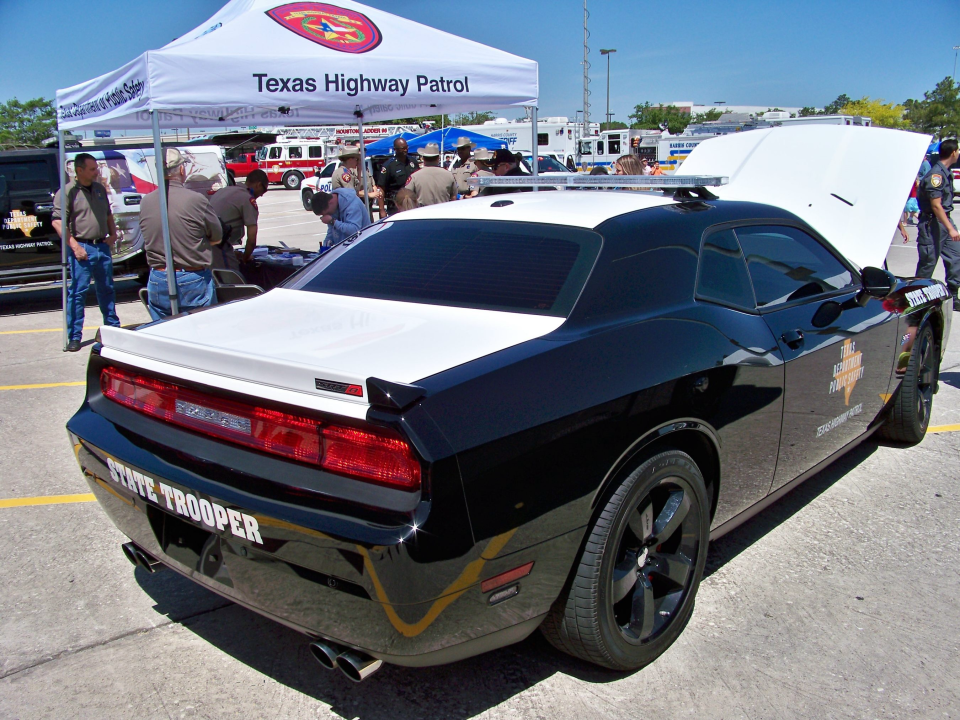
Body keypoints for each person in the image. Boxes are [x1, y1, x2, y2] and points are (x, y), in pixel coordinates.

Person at [139, 148, 223, 320]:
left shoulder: (146, 201)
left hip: (158, 276)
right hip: (191, 276)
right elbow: (217, 236)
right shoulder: (196, 199)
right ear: (182, 169)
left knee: (163, 333)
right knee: (200, 331)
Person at [51, 152, 121, 352]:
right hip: (82, 247)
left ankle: (112, 329)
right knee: (78, 293)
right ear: (79, 170)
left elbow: (108, 214)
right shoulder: (67, 192)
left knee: (107, 289)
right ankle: (74, 336)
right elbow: (58, 222)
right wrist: (75, 246)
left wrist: (113, 234)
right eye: (92, 169)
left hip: (101, 247)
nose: (96, 172)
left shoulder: (99, 189)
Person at [915, 137, 960, 308]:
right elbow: (935, 205)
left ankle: (954, 294)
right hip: (932, 224)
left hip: (944, 221)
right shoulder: (936, 175)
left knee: (956, 256)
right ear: (953, 152)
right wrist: (951, 229)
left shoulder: (945, 172)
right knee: (928, 262)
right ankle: (918, 298)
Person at [209, 168, 269, 274]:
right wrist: (245, 257)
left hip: (205, 246)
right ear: (258, 185)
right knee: (233, 280)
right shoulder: (247, 199)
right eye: (263, 190)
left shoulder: (225, 190)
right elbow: (251, 239)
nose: (262, 195)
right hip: (219, 246)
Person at [332, 145, 383, 216]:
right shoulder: (344, 173)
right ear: (350, 159)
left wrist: (359, 171)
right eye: (356, 159)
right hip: (345, 209)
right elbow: (352, 194)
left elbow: (356, 188)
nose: (358, 162)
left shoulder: (348, 172)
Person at [377, 137, 418, 214]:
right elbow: (381, 188)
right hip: (395, 205)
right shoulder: (389, 166)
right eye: (402, 148)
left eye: (406, 147)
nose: (405, 150)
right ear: (395, 149)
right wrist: (381, 210)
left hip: (412, 203)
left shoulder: (413, 162)